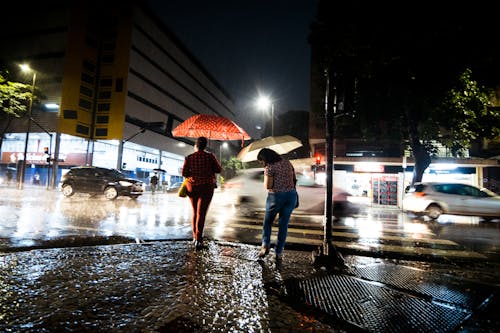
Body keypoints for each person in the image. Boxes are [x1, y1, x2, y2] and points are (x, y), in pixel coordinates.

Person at [182, 137, 222, 250]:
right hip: (206, 187)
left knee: (195, 212)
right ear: (205, 146)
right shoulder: (210, 156)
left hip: (192, 187)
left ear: (196, 145)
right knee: (201, 213)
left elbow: (184, 173)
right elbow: (218, 170)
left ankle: (195, 237)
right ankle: (199, 240)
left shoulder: (189, 157)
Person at [257, 148, 297, 260]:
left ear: (265, 159)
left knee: (268, 222)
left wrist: (266, 178)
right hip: (291, 196)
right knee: (283, 225)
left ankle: (265, 245)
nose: (262, 163)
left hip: (276, 197)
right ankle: (278, 252)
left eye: (262, 161)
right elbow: (294, 178)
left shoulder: (269, 167)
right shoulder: (287, 162)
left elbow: (268, 186)